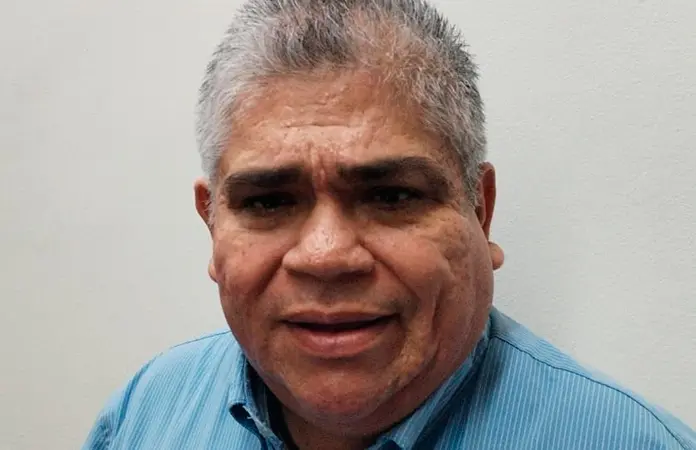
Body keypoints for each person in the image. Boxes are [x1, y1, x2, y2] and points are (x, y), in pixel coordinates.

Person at [83, 0, 696, 448]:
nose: (325, 255)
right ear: (212, 225)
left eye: (391, 195)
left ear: (480, 211)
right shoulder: (144, 415)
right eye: (268, 202)